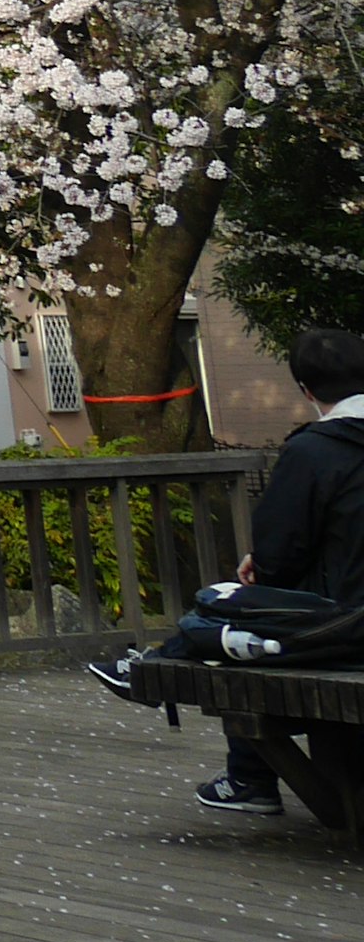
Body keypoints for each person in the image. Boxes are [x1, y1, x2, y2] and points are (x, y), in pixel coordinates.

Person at [89, 326, 364, 813]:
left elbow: (279, 557)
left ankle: (244, 770)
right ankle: (243, 768)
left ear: (305, 388)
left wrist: (258, 567)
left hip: (346, 629)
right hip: (345, 618)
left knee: (225, 612)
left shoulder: (315, 451)